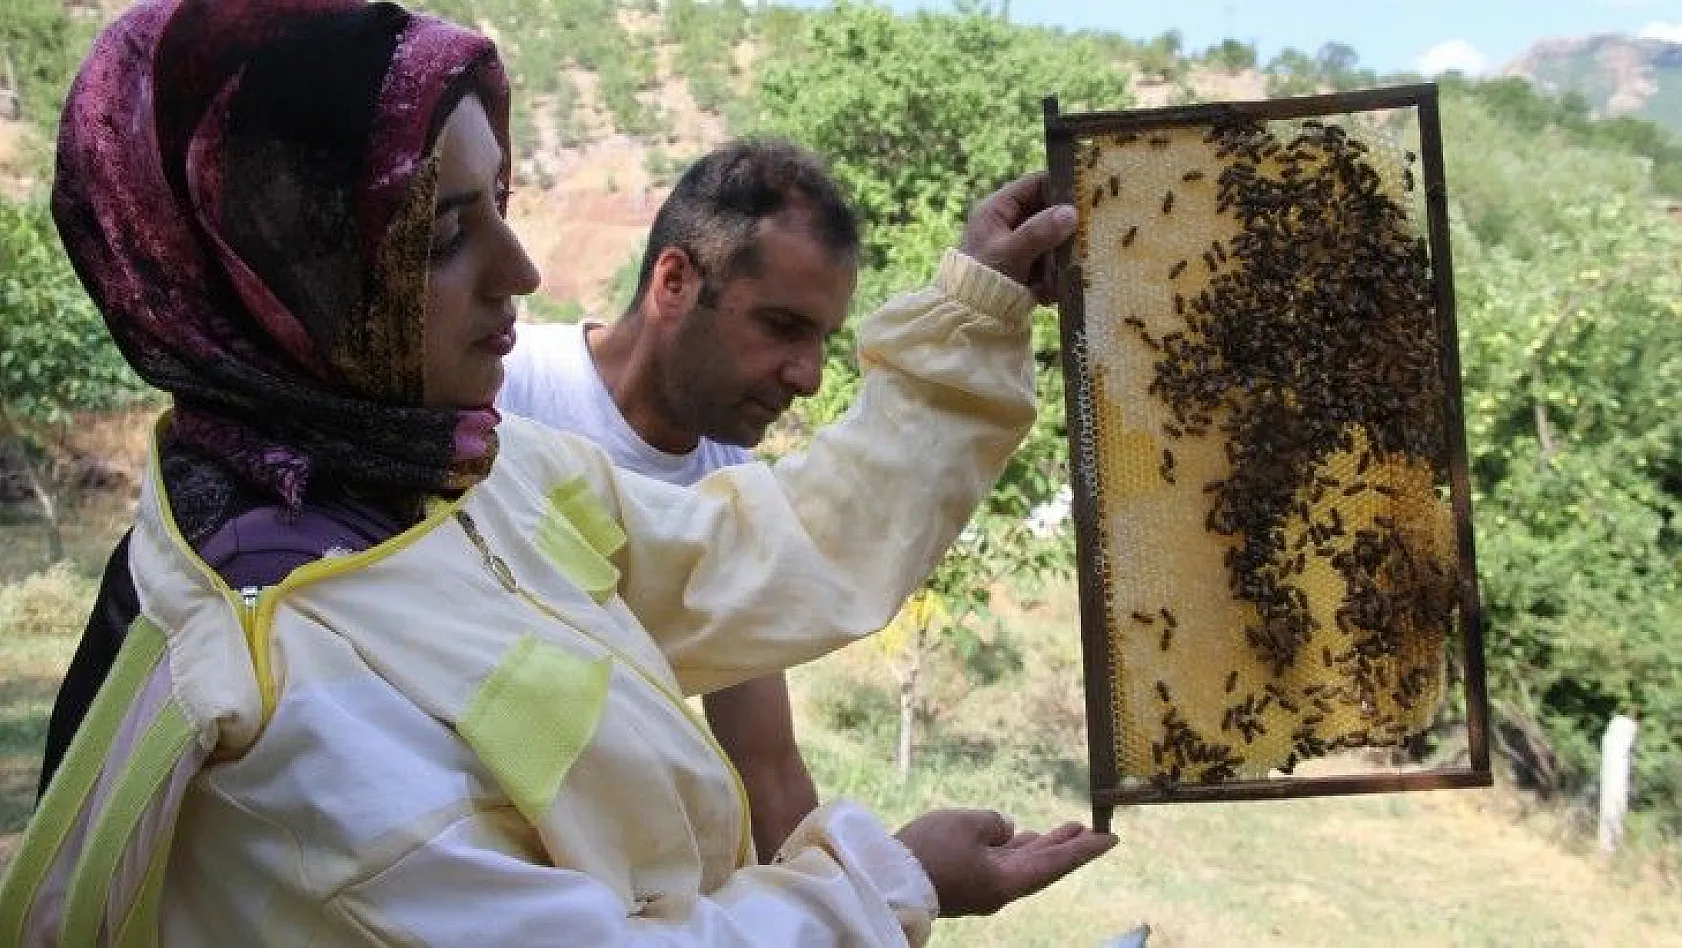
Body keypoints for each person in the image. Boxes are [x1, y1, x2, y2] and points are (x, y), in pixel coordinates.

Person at [2, 0, 1114, 943]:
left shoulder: (470, 476)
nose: (520, 270)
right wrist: (891, 883)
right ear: (283, 274)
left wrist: (973, 309)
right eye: (440, 233)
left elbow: (756, 550)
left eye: (504, 205)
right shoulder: (287, 688)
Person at [497, 139, 857, 857]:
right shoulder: (503, 392)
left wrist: (866, 907)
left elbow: (769, 769)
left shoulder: (729, 488)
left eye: (822, 339)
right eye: (782, 326)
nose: (810, 375)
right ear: (673, 283)